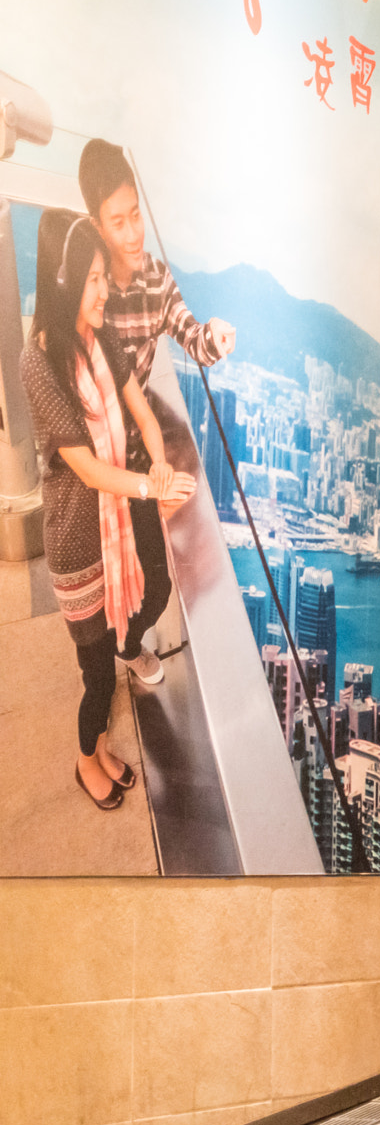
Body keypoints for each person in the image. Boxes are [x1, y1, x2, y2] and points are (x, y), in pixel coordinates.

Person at [21, 210, 199, 810]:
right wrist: (151, 489)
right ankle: (84, 760)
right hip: (77, 546)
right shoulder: (40, 363)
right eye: (95, 279)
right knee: (97, 675)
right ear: (67, 280)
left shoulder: (99, 340)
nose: (106, 290)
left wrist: (160, 461)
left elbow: (141, 410)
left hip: (113, 527)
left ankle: (97, 748)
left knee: (125, 628)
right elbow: (89, 469)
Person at [78, 138, 234, 685]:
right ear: (97, 226)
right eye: (117, 222)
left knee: (156, 583)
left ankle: (124, 643)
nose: (133, 232)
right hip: (89, 452)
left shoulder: (156, 280)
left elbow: (190, 335)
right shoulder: (83, 286)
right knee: (93, 577)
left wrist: (212, 338)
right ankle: (97, 652)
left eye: (136, 215)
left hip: (137, 453)